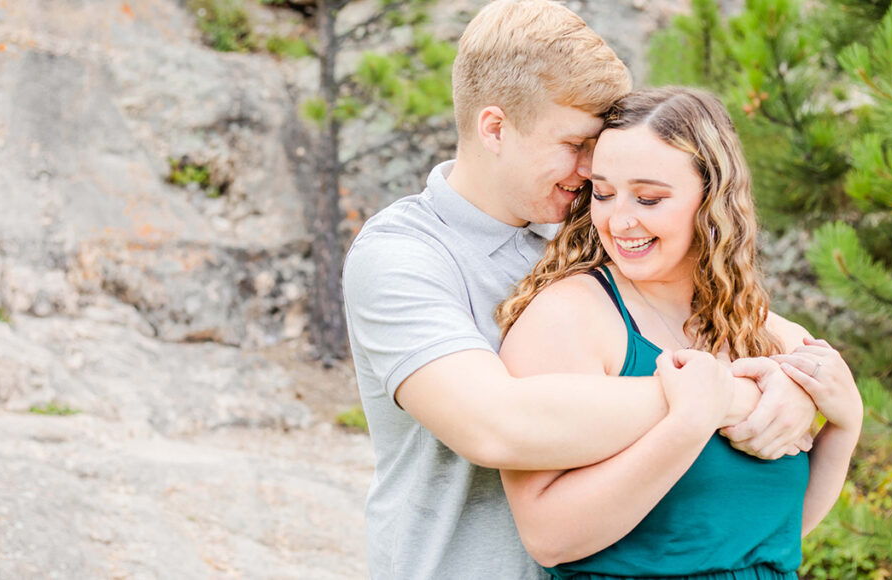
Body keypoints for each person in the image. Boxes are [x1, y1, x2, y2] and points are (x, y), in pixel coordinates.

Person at [342, 2, 817, 578]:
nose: (592, 170)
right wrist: (724, 399)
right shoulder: (403, 255)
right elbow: (496, 425)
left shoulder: (587, 232)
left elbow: (760, 330)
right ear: (495, 128)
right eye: (574, 144)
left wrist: (796, 385)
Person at [495, 86, 862, 578]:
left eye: (648, 198)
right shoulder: (569, 318)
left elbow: (772, 536)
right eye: (602, 193)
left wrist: (846, 423)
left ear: (712, 200)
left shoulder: (768, 335)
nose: (618, 220)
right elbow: (548, 538)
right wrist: (689, 422)